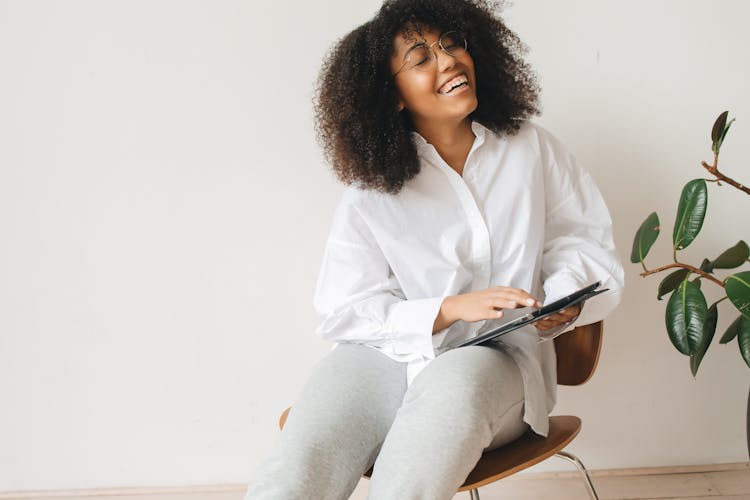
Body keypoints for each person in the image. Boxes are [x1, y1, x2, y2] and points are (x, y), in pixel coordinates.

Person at [245, 0, 624, 498]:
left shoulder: (532, 149)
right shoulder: (371, 189)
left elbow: (580, 239)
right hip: (382, 357)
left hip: (497, 356)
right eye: (420, 57)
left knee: (432, 428)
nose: (446, 60)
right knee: (300, 462)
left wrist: (565, 298)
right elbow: (344, 309)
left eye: (451, 44)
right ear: (393, 95)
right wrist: (444, 311)